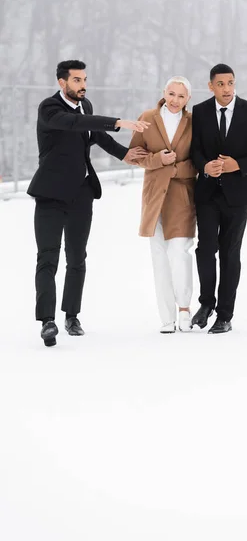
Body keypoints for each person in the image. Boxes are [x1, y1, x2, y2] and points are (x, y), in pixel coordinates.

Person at [27, 59, 150, 347]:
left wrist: (124, 154)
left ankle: (72, 316)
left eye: (84, 79)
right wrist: (118, 122)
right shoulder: (49, 109)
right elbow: (74, 124)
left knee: (77, 257)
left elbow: (95, 134)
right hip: (51, 193)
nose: (83, 85)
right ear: (62, 83)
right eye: (77, 80)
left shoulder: (87, 105)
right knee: (48, 258)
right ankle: (47, 321)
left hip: (82, 192)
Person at [190, 63, 247, 334]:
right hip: (206, 193)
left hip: (237, 196)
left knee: (230, 253)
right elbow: (195, 150)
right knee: (205, 249)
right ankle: (206, 304)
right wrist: (204, 165)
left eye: (230, 83)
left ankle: (225, 315)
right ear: (211, 86)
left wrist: (238, 165)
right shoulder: (200, 111)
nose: (226, 89)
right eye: (221, 84)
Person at [129, 76, 197, 333]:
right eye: (171, 94)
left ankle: (184, 309)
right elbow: (134, 156)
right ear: (164, 92)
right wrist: (158, 159)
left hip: (181, 195)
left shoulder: (193, 123)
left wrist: (175, 168)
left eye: (181, 96)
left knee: (179, 252)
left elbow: (199, 161)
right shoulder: (147, 117)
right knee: (159, 257)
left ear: (188, 98)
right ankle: (166, 317)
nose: (175, 100)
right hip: (154, 196)